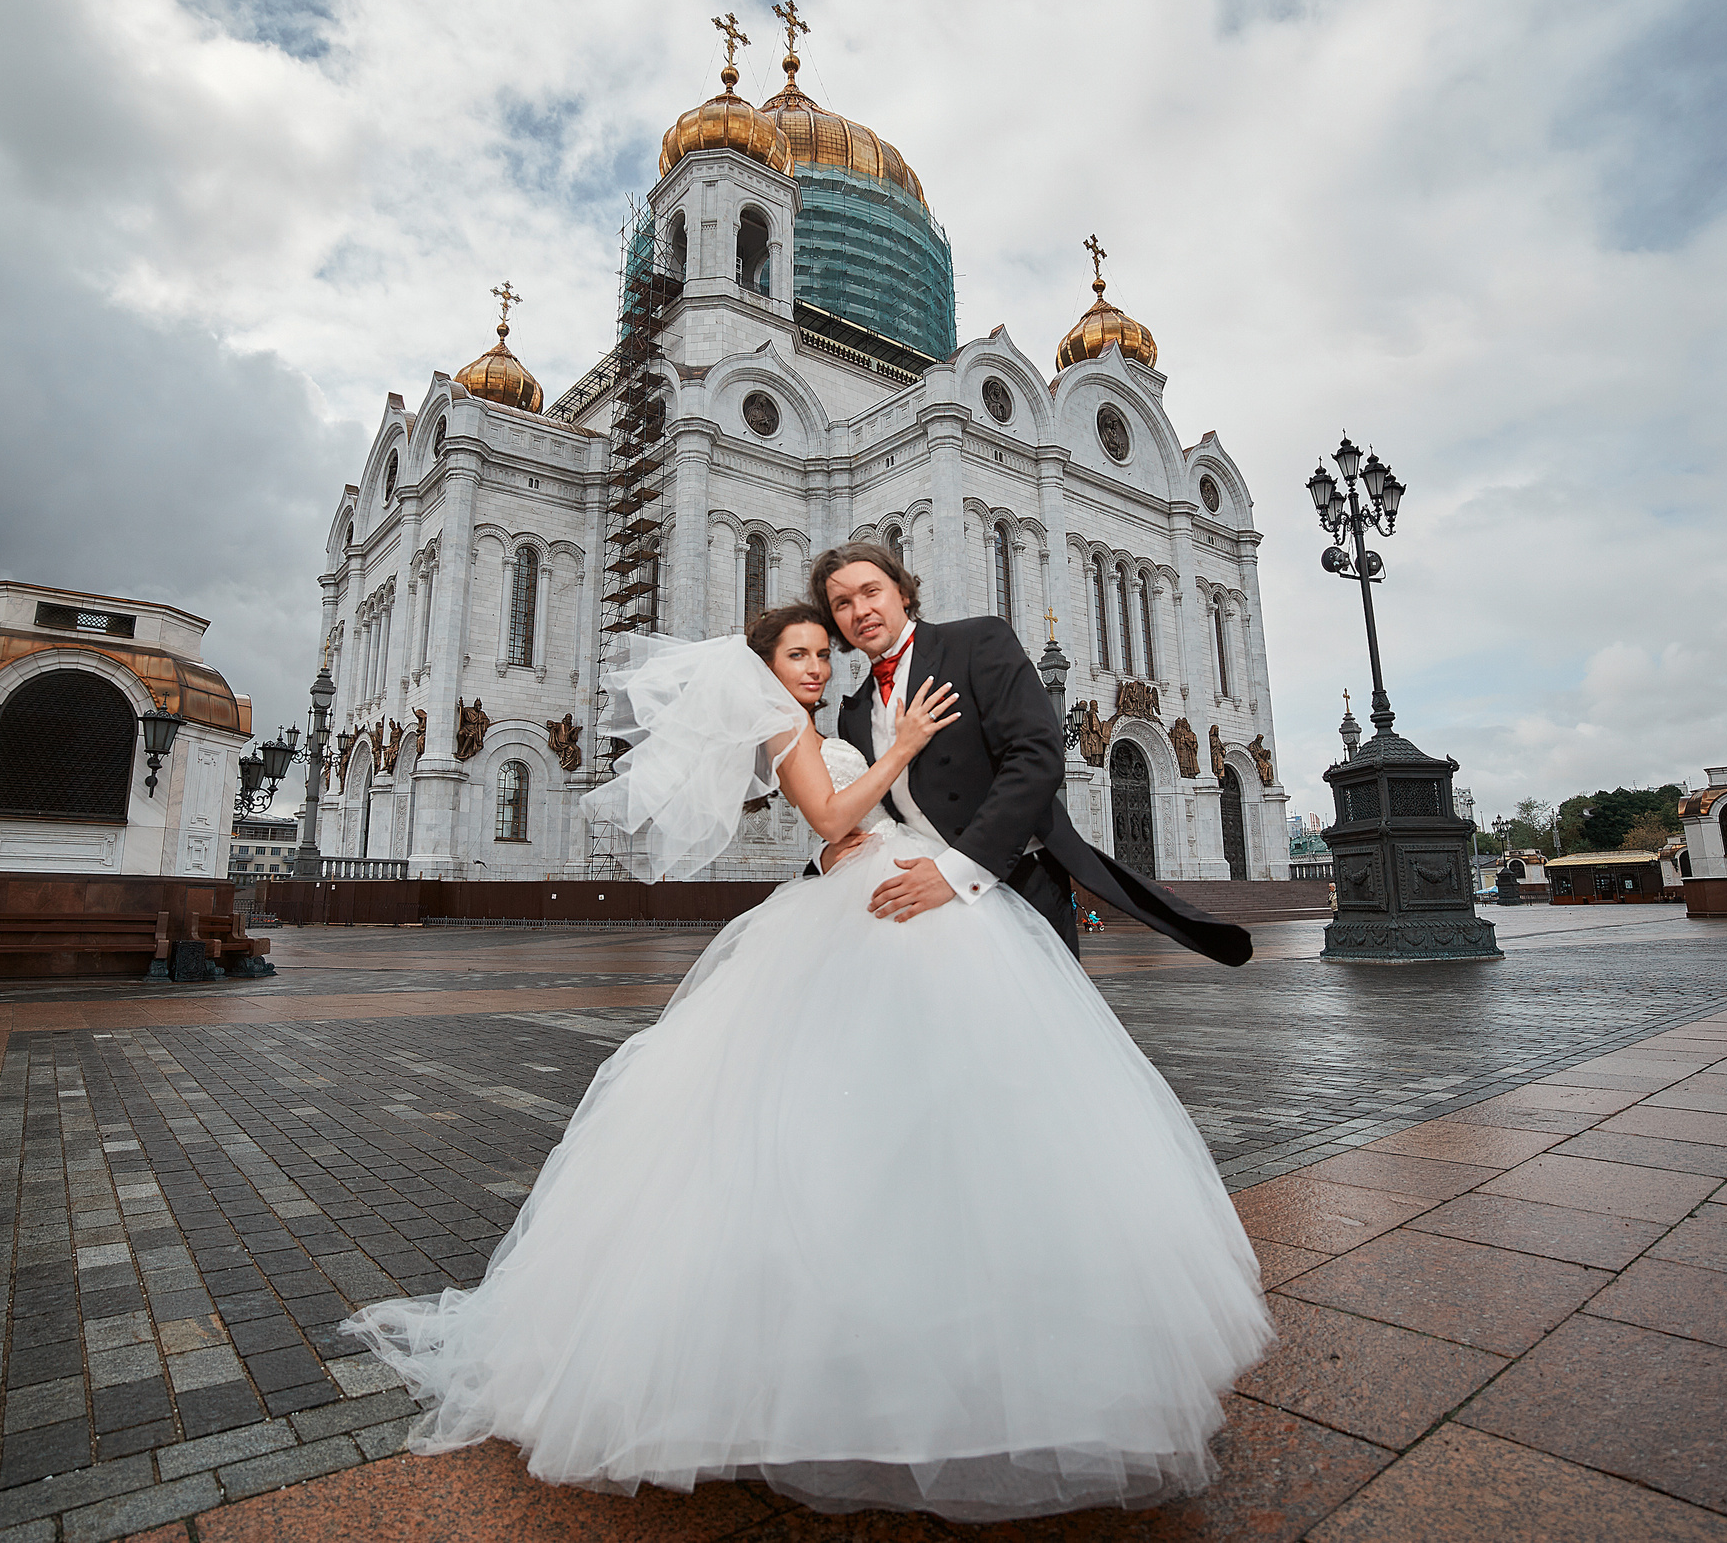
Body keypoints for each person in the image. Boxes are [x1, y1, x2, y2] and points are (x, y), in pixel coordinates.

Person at [341, 603, 1273, 1522]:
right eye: (802, 650)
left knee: (885, 1104)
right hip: (871, 904)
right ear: (766, 663)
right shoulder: (791, 726)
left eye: (824, 652)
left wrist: (857, 824)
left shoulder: (818, 718)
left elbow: (832, 833)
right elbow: (829, 810)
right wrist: (902, 748)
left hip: (873, 894)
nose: (819, 665)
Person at [811, 542, 1252, 965]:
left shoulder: (976, 643)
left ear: (903, 593)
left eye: (871, 591)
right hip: (927, 906)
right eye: (842, 603)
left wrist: (955, 871)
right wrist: (827, 858)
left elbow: (1036, 756)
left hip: (1019, 885)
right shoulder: (854, 713)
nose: (861, 610)